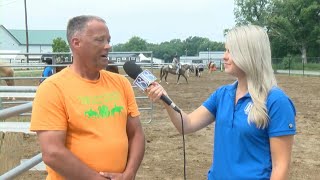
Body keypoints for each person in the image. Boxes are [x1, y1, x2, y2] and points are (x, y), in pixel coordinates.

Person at [147, 25, 296, 179]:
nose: (224, 57)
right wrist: (165, 98)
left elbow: (281, 167)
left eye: (230, 51)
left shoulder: (277, 102)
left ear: (249, 54)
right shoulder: (222, 95)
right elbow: (187, 124)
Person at [30, 15, 145, 180]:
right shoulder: (52, 88)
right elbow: (52, 152)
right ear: (76, 43)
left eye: (109, 40)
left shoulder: (121, 83)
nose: (108, 46)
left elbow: (136, 133)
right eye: (100, 40)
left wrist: (129, 174)